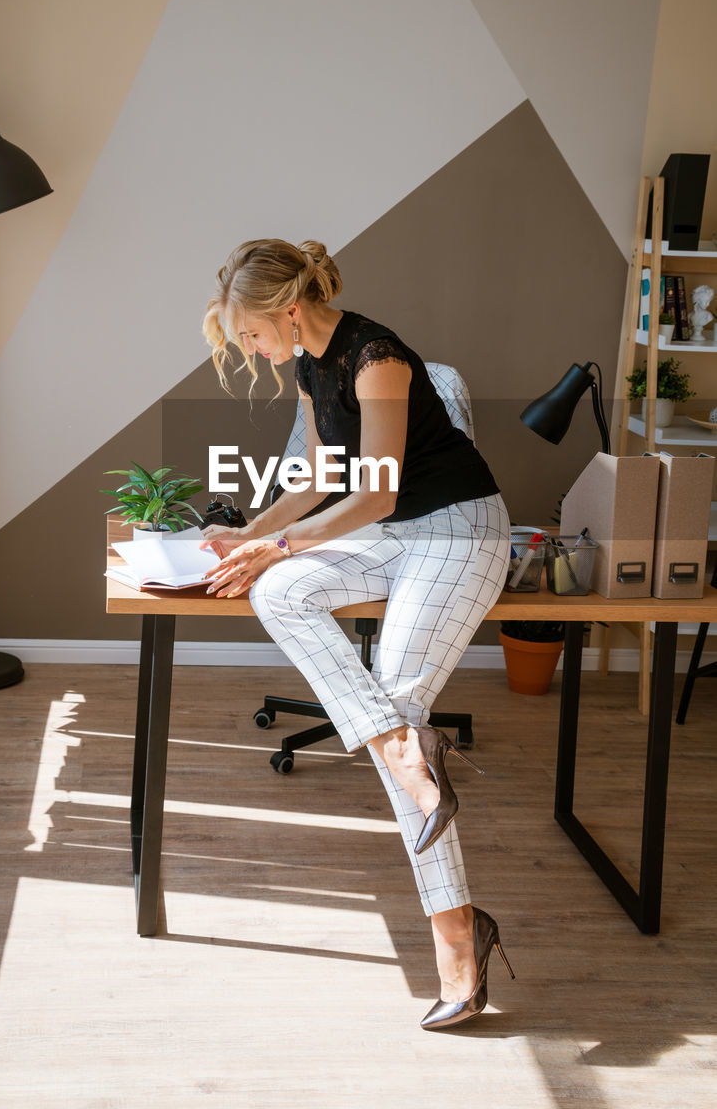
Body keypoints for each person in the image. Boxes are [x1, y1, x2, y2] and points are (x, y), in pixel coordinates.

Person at [200, 238, 515, 1030]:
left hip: (458, 533)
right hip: (399, 533)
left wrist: (272, 542)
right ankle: (399, 745)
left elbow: (373, 493)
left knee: (401, 701)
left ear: (287, 309)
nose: (248, 348)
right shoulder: (309, 365)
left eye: (249, 333)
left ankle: (455, 946)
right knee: (281, 590)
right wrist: (255, 542)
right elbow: (320, 478)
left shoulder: (377, 357)